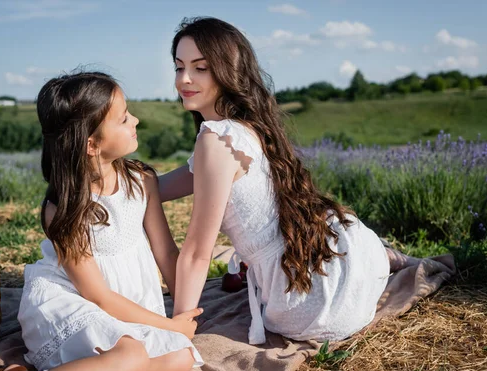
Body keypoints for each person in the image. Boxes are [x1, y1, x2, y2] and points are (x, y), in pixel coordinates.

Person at [158, 17, 455, 345]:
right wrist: (118, 180)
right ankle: (380, 257)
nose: (184, 79)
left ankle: (380, 257)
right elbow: (165, 186)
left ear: (228, 71)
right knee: (349, 233)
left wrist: (178, 332)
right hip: (313, 288)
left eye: (200, 68)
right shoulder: (243, 129)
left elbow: (198, 252)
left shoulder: (217, 139)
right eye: (178, 67)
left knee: (348, 235)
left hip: (301, 306)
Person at [0, 71, 203, 371]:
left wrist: (182, 314)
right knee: (132, 356)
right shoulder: (63, 208)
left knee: (183, 357)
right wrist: (171, 328)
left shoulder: (141, 179)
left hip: (131, 305)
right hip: (76, 300)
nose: (135, 120)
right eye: (123, 119)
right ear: (91, 144)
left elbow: (166, 253)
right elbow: (99, 296)